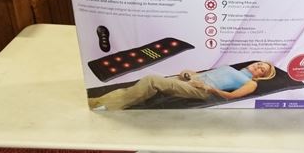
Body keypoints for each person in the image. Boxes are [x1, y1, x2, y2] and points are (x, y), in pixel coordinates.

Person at [89, 61, 276, 110]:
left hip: (202, 90)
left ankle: (111, 106)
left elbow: (232, 96)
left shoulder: (250, 83)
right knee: (142, 85)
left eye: (262, 69)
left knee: (151, 80)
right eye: (259, 63)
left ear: (262, 76)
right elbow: (203, 74)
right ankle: (97, 102)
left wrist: (209, 89)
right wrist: (189, 73)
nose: (258, 66)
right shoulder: (232, 68)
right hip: (192, 81)